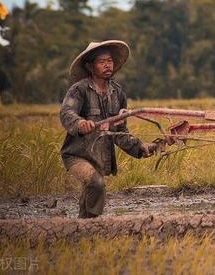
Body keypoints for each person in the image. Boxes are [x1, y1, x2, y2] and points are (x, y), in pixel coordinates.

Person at [59, 40, 156, 218]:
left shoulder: (117, 93)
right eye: (102, 61)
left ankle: (83, 228)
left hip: (99, 157)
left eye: (110, 61)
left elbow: (119, 132)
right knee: (95, 183)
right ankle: (93, 226)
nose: (107, 65)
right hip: (77, 155)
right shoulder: (79, 90)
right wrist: (80, 123)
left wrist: (140, 147)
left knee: (92, 190)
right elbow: (66, 113)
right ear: (90, 66)